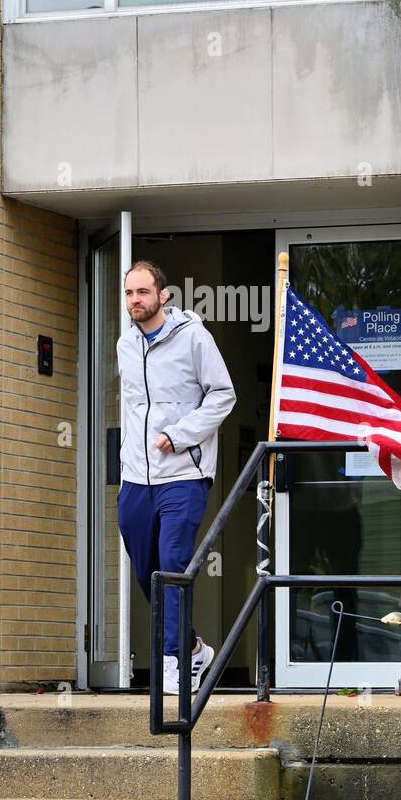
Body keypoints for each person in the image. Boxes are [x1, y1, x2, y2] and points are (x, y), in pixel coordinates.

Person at [116, 261, 236, 695]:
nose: (135, 301)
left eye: (143, 292)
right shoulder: (125, 345)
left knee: (171, 564)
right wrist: (128, 457)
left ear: (163, 295)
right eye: (129, 293)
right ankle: (193, 648)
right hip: (135, 480)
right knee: (148, 572)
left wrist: (179, 435)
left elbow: (224, 394)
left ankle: (172, 661)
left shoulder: (193, 338)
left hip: (183, 475)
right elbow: (131, 410)